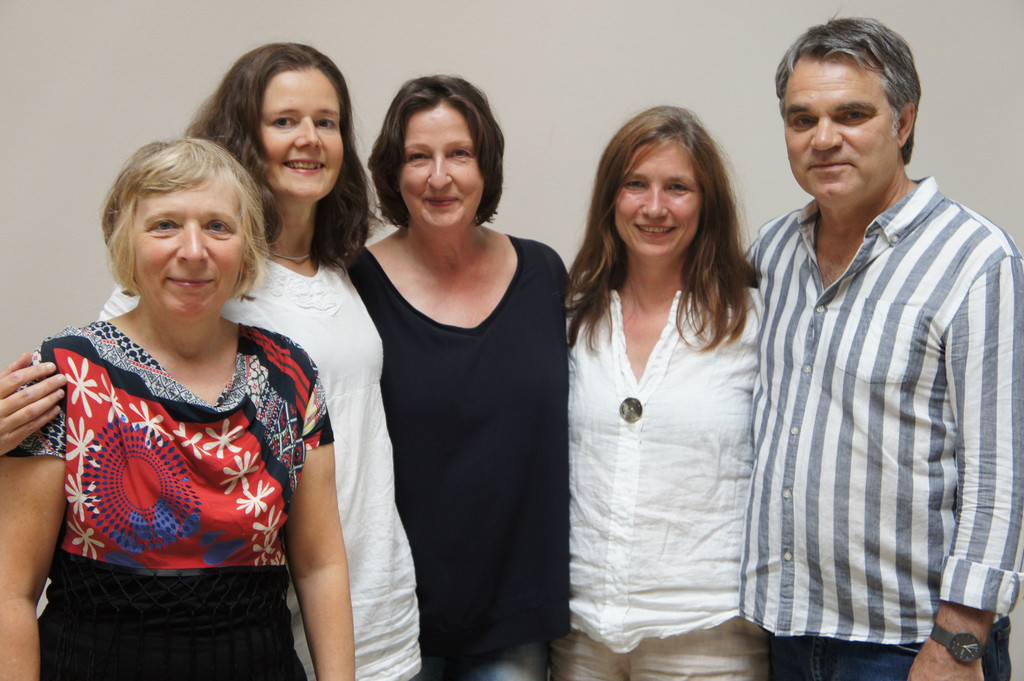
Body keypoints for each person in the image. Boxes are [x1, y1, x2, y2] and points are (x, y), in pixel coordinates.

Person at [88, 44, 423, 681]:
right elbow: (101, 388)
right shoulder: (201, 271)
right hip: (265, 624)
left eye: (326, 122)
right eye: (284, 121)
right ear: (244, 135)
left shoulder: (341, 270)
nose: (309, 139)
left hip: (377, 605)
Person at [0, 138, 354, 681]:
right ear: (127, 239)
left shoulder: (291, 375)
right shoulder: (65, 374)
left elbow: (320, 566)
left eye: (218, 227)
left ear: (247, 247)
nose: (193, 250)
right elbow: (12, 592)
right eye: (165, 225)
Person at [740, 17, 1024, 681]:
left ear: (903, 123)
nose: (823, 139)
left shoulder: (975, 258)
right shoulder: (771, 252)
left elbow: (1000, 472)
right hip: (785, 630)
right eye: (802, 119)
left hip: (909, 645)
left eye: (851, 114)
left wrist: (958, 643)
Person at [349, 75, 569, 681]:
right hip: (394, 618)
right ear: (393, 172)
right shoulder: (354, 283)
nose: (439, 177)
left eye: (460, 154)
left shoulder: (544, 273)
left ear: (485, 166)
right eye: (419, 156)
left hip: (515, 616)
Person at [549, 106, 768, 681]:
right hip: (583, 636)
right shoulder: (571, 318)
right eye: (635, 185)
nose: (654, 207)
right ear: (610, 198)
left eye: (677, 188)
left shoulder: (753, 323)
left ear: (707, 203)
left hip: (709, 637)